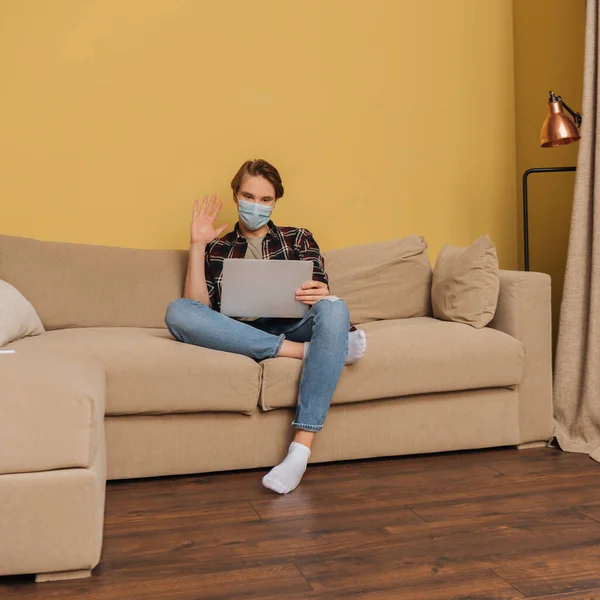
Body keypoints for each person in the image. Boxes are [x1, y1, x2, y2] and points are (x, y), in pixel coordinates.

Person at [165, 159, 366, 494]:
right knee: (176, 311)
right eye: (248, 196)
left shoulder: (298, 237)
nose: (255, 206)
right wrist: (197, 245)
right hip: (241, 332)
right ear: (235, 195)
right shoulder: (218, 247)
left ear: (275, 202)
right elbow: (198, 310)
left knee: (336, 306)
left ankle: (299, 452)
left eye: (265, 200)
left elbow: (319, 291)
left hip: (294, 322)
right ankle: (306, 352)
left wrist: (320, 291)